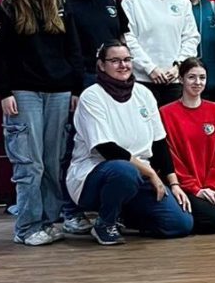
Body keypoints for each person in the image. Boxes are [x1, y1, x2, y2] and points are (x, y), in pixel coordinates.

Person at [0, 0, 83, 245]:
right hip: (24, 92)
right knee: (30, 163)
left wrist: (76, 88)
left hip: (58, 91)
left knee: (53, 161)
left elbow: (73, 50)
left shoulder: (60, 3)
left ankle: (50, 221)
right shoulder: (7, 7)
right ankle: (27, 227)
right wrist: (4, 93)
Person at [67, 41, 194, 244]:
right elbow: (106, 149)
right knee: (124, 170)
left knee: (180, 224)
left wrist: (174, 183)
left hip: (138, 177)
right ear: (101, 65)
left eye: (127, 60)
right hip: (96, 175)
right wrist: (151, 172)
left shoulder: (144, 94)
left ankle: (122, 214)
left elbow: (160, 142)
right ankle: (104, 223)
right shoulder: (91, 97)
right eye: (115, 61)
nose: (123, 65)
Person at [56, 0, 128, 233]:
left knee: (113, 142)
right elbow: (62, 46)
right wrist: (75, 88)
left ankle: (112, 209)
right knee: (76, 146)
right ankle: (70, 210)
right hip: (83, 79)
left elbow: (121, 36)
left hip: (112, 79)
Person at [159, 58, 215, 234]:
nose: (197, 82)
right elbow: (171, 156)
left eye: (202, 78)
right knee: (214, 221)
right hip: (185, 185)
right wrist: (196, 189)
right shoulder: (166, 113)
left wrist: (213, 187)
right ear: (181, 79)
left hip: (212, 184)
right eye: (191, 77)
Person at [122, 0, 200, 106]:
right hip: (143, 79)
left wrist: (179, 66)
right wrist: (150, 68)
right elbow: (128, 38)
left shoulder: (181, 0)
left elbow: (191, 37)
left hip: (174, 79)